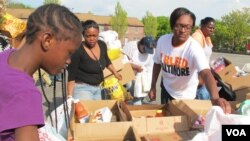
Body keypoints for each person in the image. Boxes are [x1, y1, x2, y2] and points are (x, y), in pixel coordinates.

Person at [0, 4, 83, 141]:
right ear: (47, 41)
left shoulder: (4, 57)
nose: (68, 61)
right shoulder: (26, 94)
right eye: (69, 53)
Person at [148, 7, 231, 114]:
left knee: (182, 125)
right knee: (165, 118)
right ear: (172, 25)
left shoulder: (194, 47)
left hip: (186, 96)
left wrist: (215, 98)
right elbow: (157, 63)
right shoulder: (163, 41)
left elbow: (206, 73)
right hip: (166, 89)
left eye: (188, 27)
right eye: (179, 26)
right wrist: (152, 86)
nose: (183, 31)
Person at [67, 20, 122, 100]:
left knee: (98, 112)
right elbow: (71, 76)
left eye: (94, 35)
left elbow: (107, 61)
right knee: (87, 112)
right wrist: (69, 97)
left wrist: (115, 73)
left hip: (98, 88)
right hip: (82, 89)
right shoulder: (78, 50)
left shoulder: (102, 45)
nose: (92, 39)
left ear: (98, 34)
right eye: (88, 36)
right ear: (83, 35)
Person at [122, 36, 155, 105]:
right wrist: (134, 67)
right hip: (128, 72)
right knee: (132, 89)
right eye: (144, 49)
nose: (146, 52)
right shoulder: (131, 47)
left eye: (148, 50)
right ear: (140, 44)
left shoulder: (151, 53)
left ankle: (136, 102)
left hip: (142, 74)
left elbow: (150, 69)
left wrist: (150, 86)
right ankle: (135, 102)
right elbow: (122, 62)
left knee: (141, 93)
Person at [192, 17, 215, 100]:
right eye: (209, 27)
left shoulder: (206, 37)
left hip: (205, 77)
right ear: (202, 25)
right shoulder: (197, 37)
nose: (212, 30)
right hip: (199, 78)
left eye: (213, 28)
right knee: (202, 103)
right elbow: (194, 59)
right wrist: (200, 80)